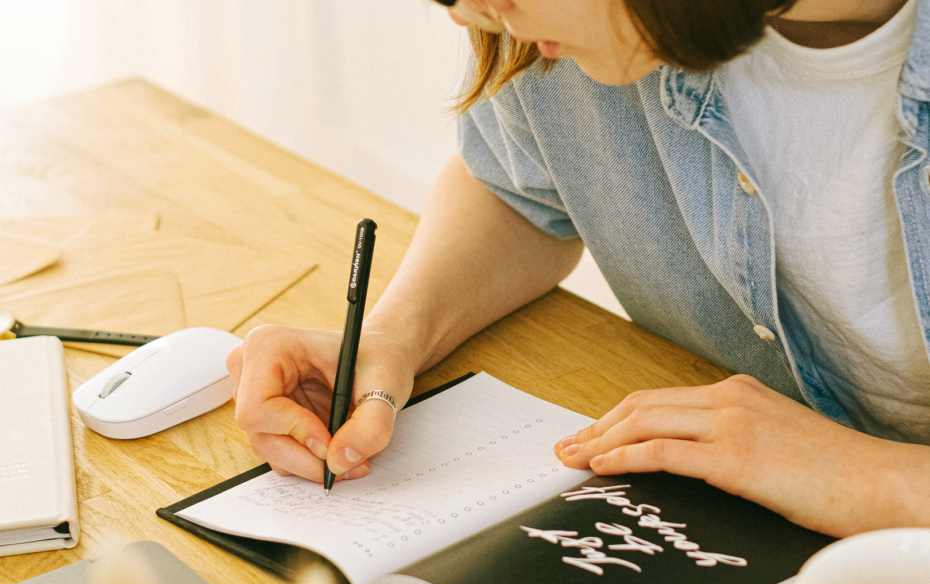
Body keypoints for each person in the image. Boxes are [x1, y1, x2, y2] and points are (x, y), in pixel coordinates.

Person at [227, 0, 930, 538]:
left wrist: (865, 478)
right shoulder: (559, 33)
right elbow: (520, 189)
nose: (470, 12)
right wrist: (394, 339)